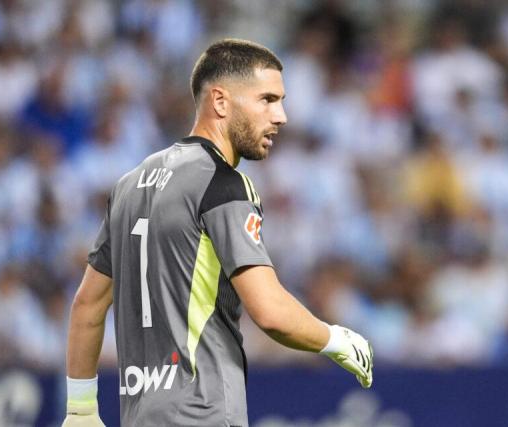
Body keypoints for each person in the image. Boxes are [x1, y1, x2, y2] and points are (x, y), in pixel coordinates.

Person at [62, 39, 373, 427]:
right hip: (203, 412)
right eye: (267, 99)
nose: (282, 116)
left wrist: (81, 409)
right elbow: (270, 311)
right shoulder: (224, 185)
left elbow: (87, 305)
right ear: (221, 102)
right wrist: (334, 339)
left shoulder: (129, 184)